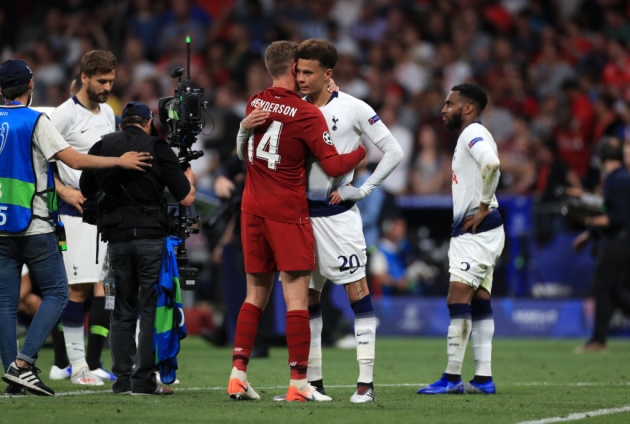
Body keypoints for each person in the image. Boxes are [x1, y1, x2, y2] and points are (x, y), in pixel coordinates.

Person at [0, 59, 151, 396]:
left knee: (5, 304)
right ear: (30, 85)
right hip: (35, 222)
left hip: (2, 224)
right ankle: (23, 363)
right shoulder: (36, 120)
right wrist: (119, 160)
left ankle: (13, 375)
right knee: (59, 293)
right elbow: (74, 160)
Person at [227, 40, 366, 402]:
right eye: (301, 69)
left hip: (251, 209)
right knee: (296, 299)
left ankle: (237, 376)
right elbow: (334, 166)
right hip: (287, 213)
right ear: (294, 69)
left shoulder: (255, 102)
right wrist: (363, 150)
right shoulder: (306, 114)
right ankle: (299, 384)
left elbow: (243, 151)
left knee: (254, 296)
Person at [266, 38, 404, 403]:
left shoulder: (354, 108)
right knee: (308, 298)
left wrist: (362, 189)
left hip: (339, 220)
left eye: (308, 73)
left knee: (357, 294)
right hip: (301, 218)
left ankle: (366, 384)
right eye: (298, 71)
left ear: (328, 74)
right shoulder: (294, 107)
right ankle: (313, 383)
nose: (300, 78)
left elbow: (394, 151)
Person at [79, 101, 196, 395]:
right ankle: (143, 381)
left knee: (122, 309)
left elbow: (86, 189)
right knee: (149, 309)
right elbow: (186, 198)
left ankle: (122, 381)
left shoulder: (102, 146)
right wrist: (189, 179)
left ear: (121, 125)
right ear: (148, 123)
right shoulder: (158, 147)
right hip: (150, 239)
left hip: (117, 240)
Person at [417, 83, 504, 395]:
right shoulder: (474, 134)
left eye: (449, 104)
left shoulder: (471, 133)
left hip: (476, 232)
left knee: (457, 298)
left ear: (467, 108)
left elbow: (492, 164)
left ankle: (452, 377)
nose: (443, 109)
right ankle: (483, 378)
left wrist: (482, 206)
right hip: (486, 231)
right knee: (479, 300)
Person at [49, 50, 117, 385]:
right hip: (73, 215)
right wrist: (63, 190)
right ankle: (75, 366)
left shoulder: (109, 112)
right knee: (76, 288)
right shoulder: (63, 115)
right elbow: (38, 159)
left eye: (111, 81)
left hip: (103, 213)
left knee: (104, 286)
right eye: (102, 81)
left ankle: (91, 362)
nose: (107, 87)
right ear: (85, 77)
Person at [573, 136, 630, 353]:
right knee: (616, 291)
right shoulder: (618, 178)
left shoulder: (618, 180)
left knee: (602, 287)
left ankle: (598, 340)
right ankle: (598, 339)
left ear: (603, 159)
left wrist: (590, 221)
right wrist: (590, 233)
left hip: (619, 241)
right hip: (619, 240)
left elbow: (618, 217)